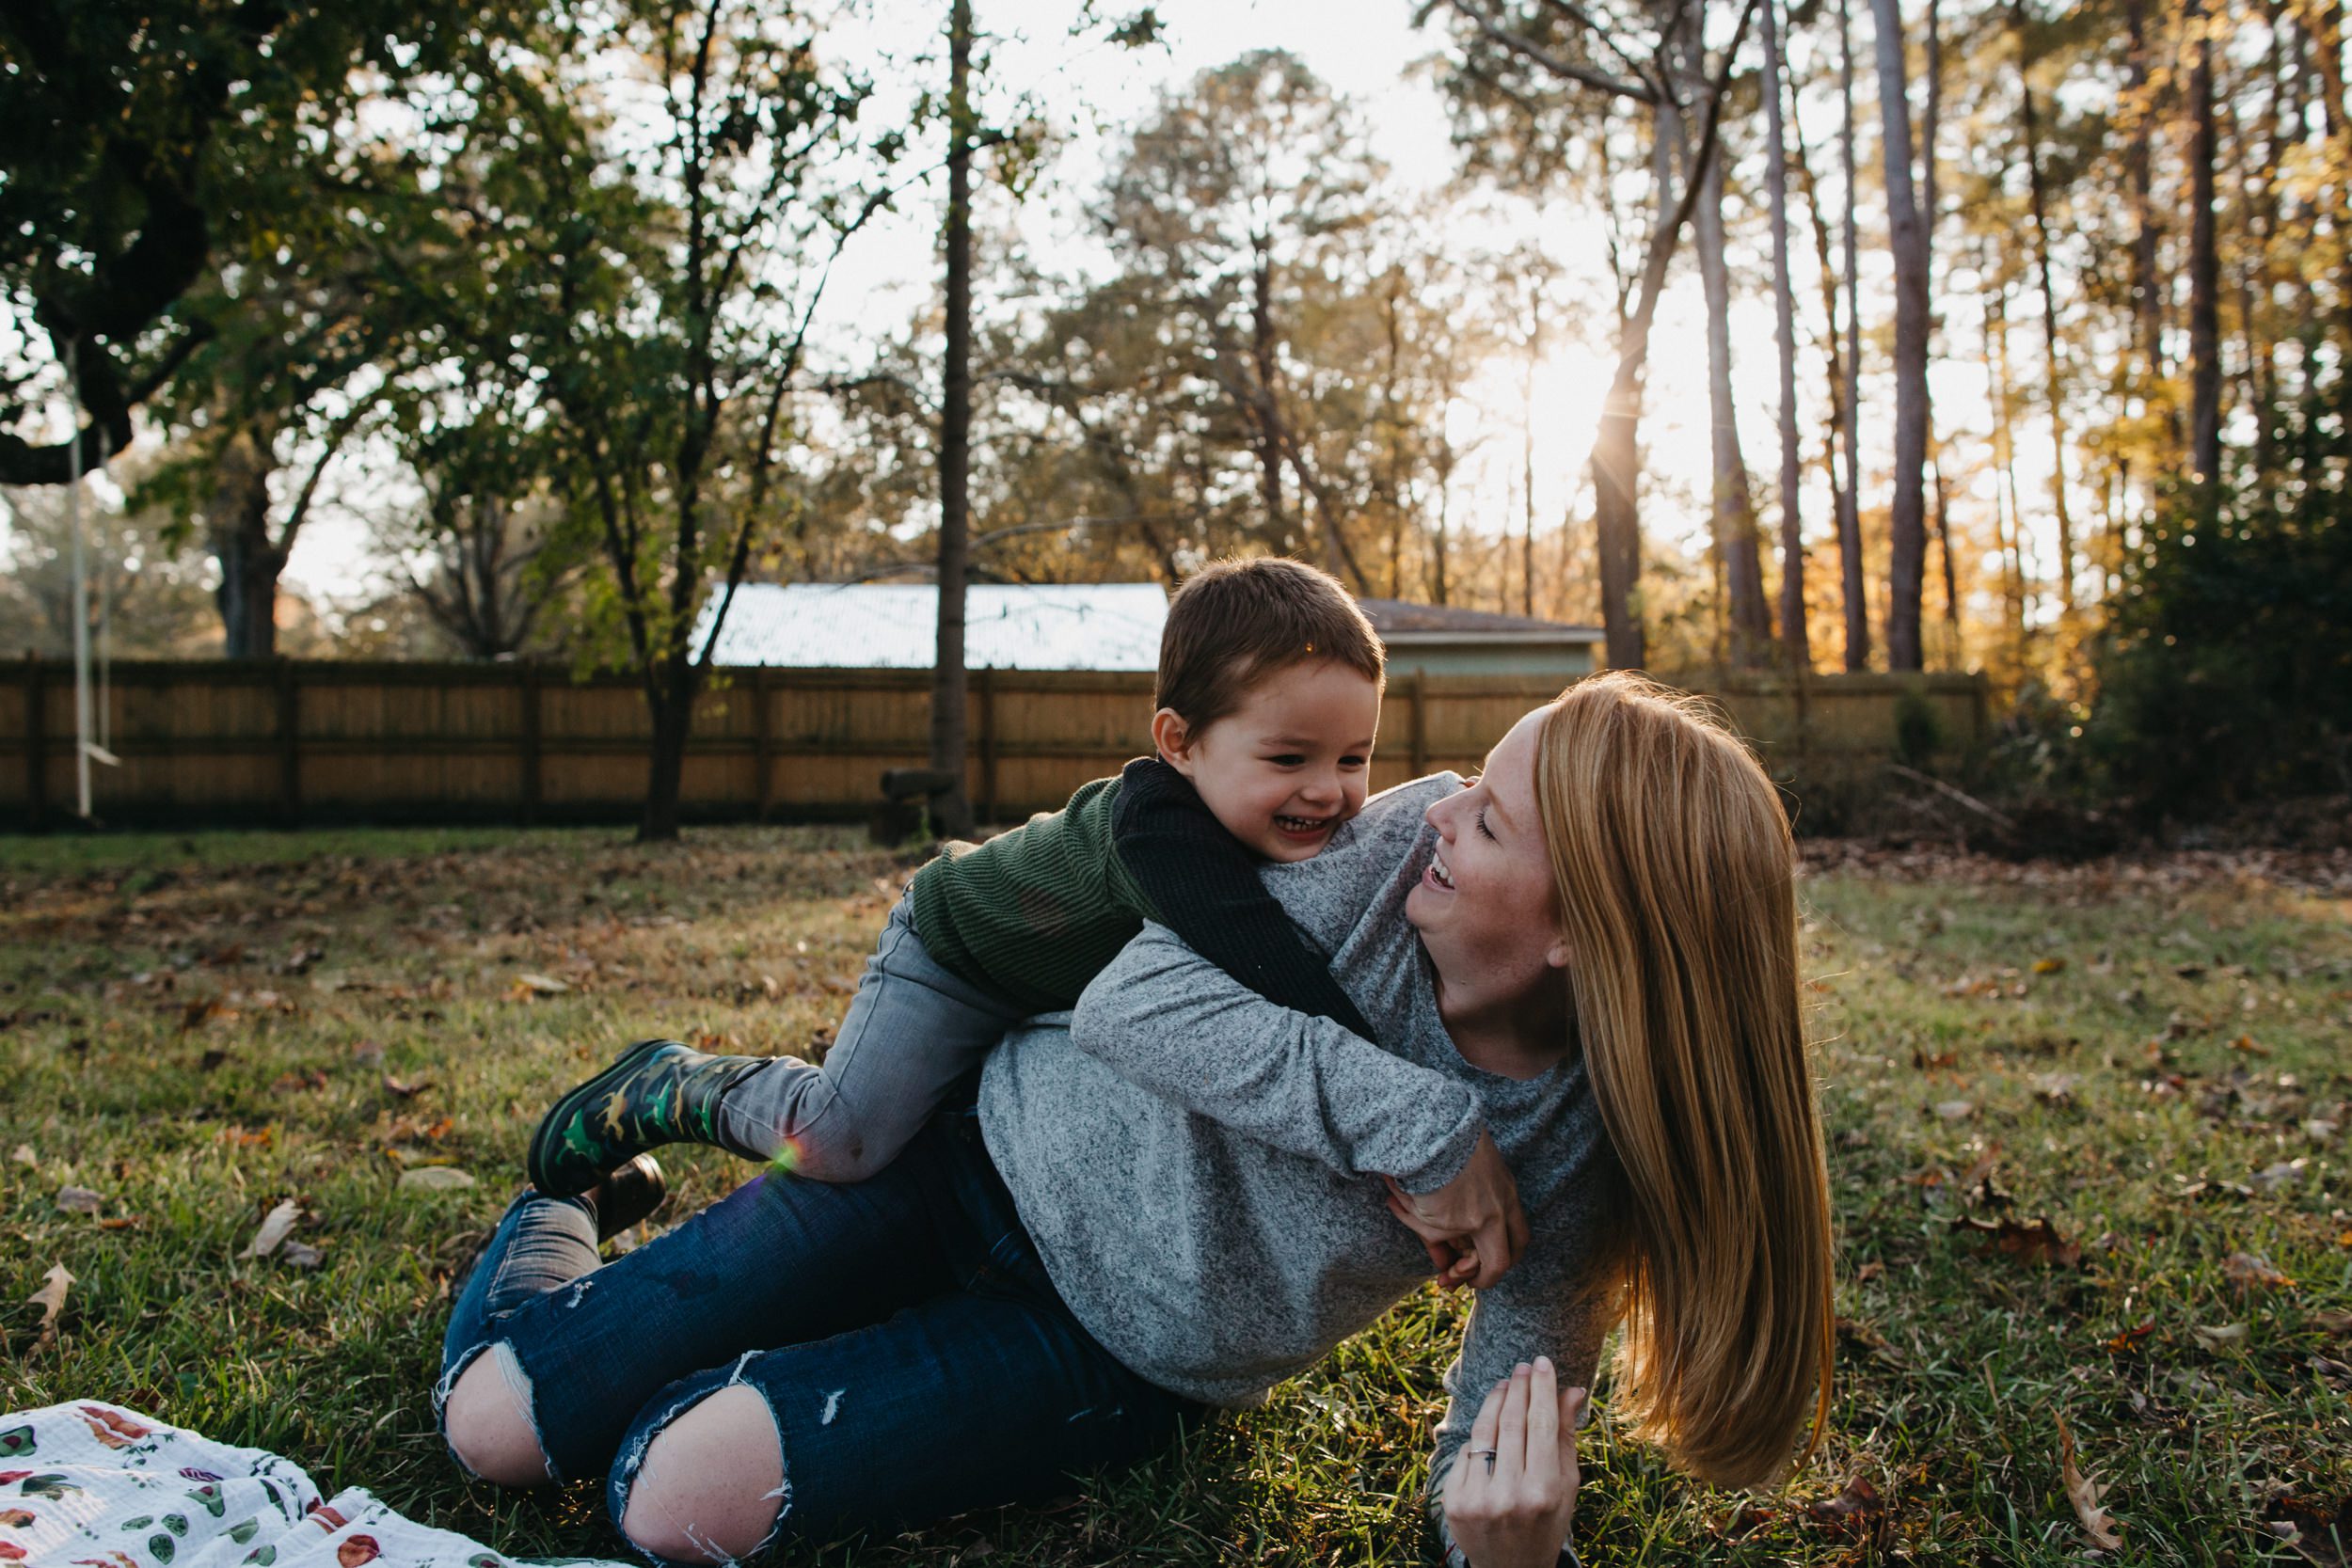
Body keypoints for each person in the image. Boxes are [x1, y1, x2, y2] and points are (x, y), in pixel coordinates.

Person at [437, 673, 1836, 1568]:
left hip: (1113, 1352)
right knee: (494, 1431)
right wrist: (1414, 1120)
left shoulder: (1582, 1157)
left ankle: (706, 1341)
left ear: (1588, 934)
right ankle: (559, 1218)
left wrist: (1512, 1559)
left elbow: (1499, 1445)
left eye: (1492, 820)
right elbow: (1133, 1000)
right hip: (966, 1163)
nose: (1433, 811)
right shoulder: (1380, 855)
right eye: (1471, 776)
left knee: (669, 1500)